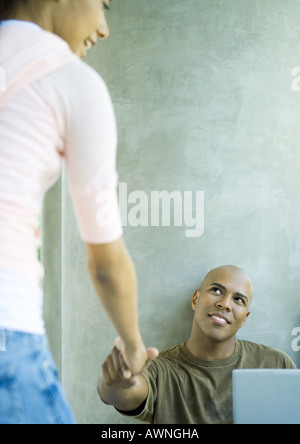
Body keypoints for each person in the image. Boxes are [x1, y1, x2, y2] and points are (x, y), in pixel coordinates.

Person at [0, 0, 157, 424]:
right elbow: (106, 262)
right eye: (104, 5)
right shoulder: (74, 83)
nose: (103, 28)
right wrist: (132, 344)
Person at [99, 265, 297, 424]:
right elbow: (124, 394)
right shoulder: (161, 371)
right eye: (216, 290)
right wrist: (116, 381)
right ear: (196, 299)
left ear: (245, 318)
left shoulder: (276, 363)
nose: (225, 304)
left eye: (238, 300)